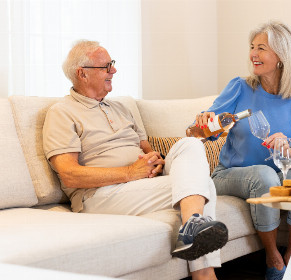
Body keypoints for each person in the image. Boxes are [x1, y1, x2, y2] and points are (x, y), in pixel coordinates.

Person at [42, 40, 228, 280]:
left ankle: (191, 226)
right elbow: (69, 173)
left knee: (190, 144)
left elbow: (151, 153)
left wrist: (157, 162)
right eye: (106, 66)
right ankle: (204, 272)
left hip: (141, 185)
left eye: (113, 64)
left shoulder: (121, 108)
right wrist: (131, 172)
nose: (114, 70)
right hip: (100, 195)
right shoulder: (61, 112)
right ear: (82, 74)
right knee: (205, 186)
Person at [192, 21, 291, 280]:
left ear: (282, 56)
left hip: (281, 172)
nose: (253, 54)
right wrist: (204, 124)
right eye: (252, 47)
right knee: (264, 175)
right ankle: (273, 261)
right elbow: (202, 131)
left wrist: (289, 148)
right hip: (232, 174)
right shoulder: (240, 87)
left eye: (261, 48)